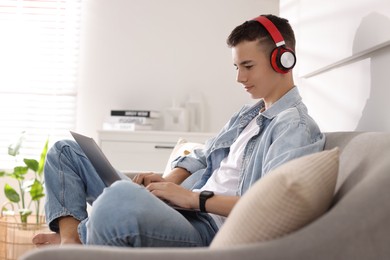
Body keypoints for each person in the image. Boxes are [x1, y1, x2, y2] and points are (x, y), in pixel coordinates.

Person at [33, 14, 325, 248]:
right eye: (236, 66)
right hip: (183, 208)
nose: (239, 77)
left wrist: (192, 199)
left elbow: (272, 205)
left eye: (247, 65)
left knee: (118, 198)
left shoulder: (293, 127)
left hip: (207, 229)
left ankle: (77, 241)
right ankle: (70, 244)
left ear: (283, 60)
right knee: (66, 151)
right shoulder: (249, 114)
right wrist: (167, 183)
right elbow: (202, 155)